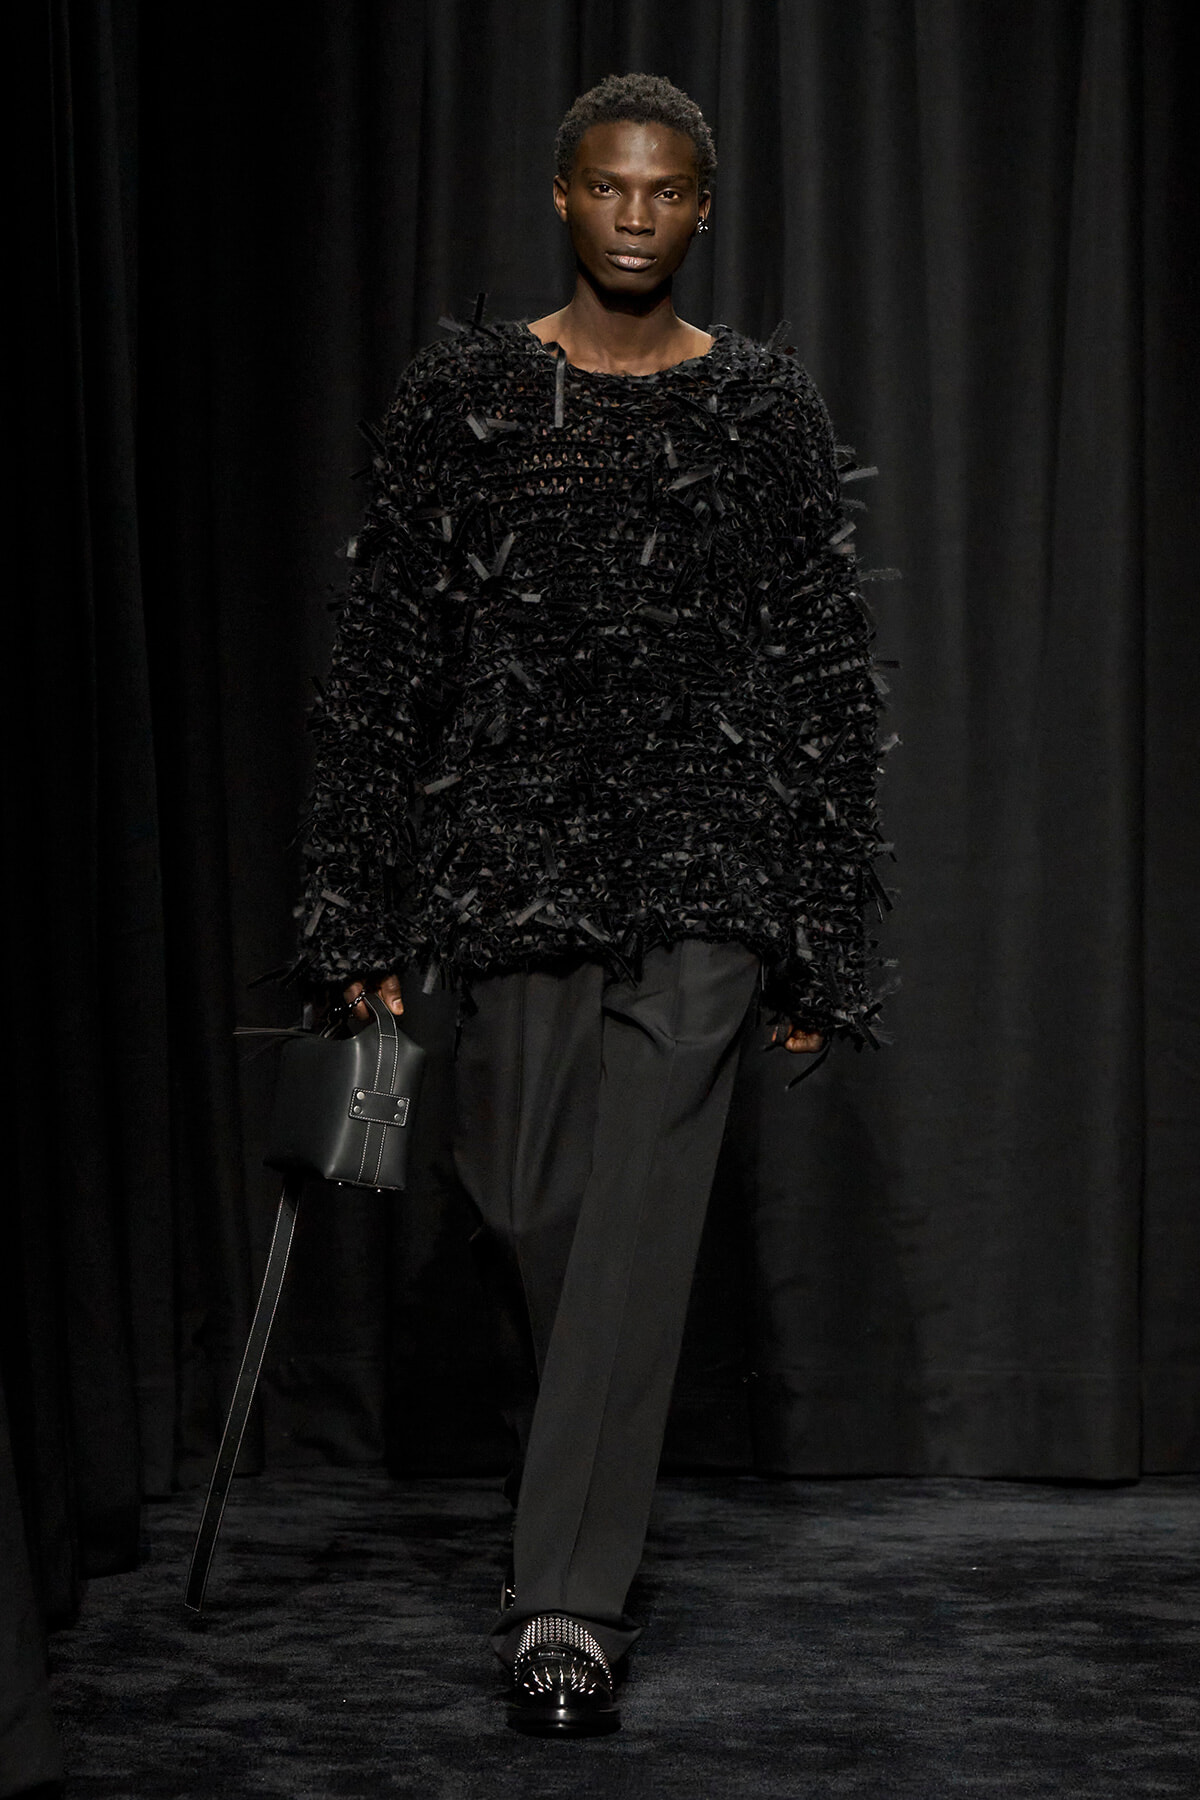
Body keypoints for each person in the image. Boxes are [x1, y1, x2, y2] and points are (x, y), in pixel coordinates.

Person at [294, 72, 885, 1736]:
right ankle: (568, 1495)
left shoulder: (760, 410)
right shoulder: (468, 393)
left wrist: (821, 935)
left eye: (669, 191)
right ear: (563, 197)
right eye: (611, 187)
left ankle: (565, 1605)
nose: (638, 216)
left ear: (706, 209)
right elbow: (388, 658)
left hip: (705, 869)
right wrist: (355, 906)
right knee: (529, 1200)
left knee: (631, 1237)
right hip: (510, 866)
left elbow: (820, 679)